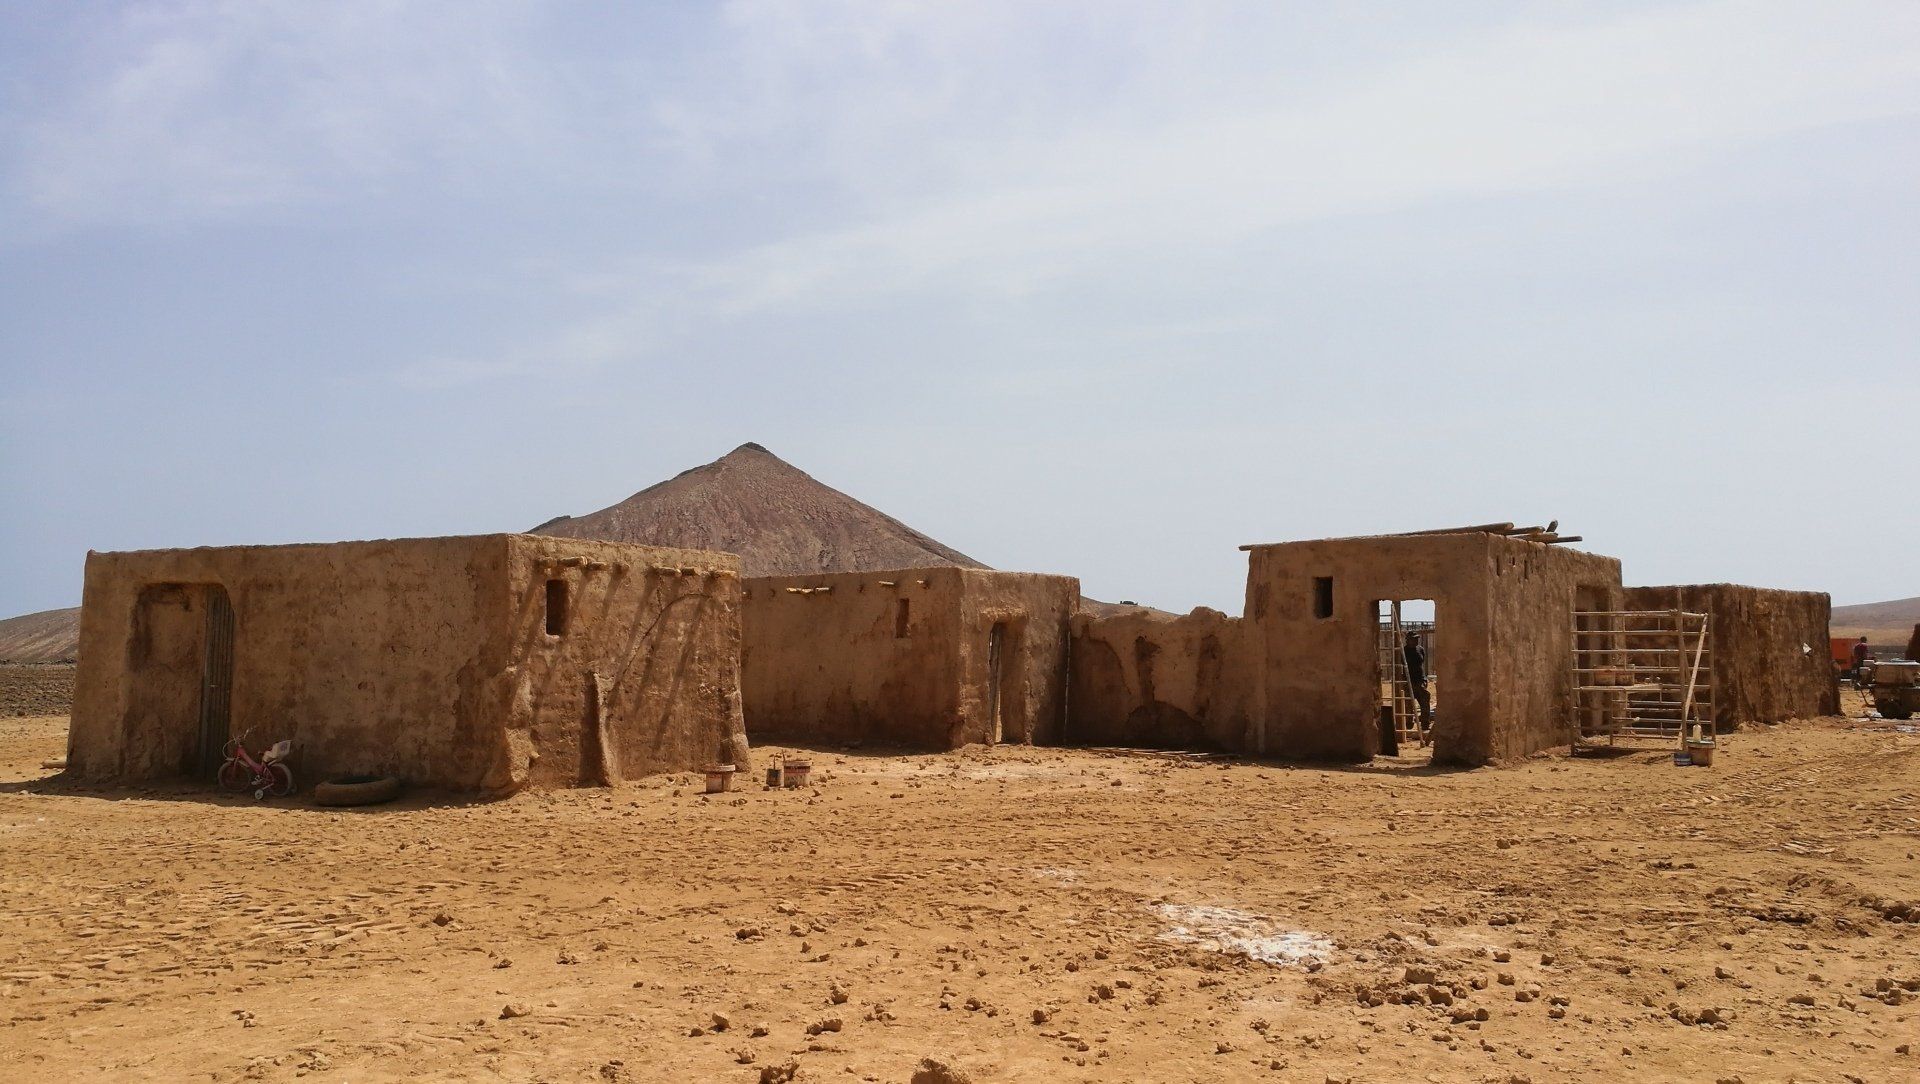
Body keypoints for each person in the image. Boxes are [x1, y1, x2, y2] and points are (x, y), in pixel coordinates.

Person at [1403, 631, 1433, 728]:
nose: (1416, 641)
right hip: (1409, 681)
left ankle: (1425, 723)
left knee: (1425, 701)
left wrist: (1424, 680)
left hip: (1420, 680)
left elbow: (1421, 664)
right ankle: (1408, 723)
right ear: (1408, 640)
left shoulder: (1420, 649)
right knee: (1408, 704)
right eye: (1413, 639)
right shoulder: (1403, 651)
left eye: (1417, 639)